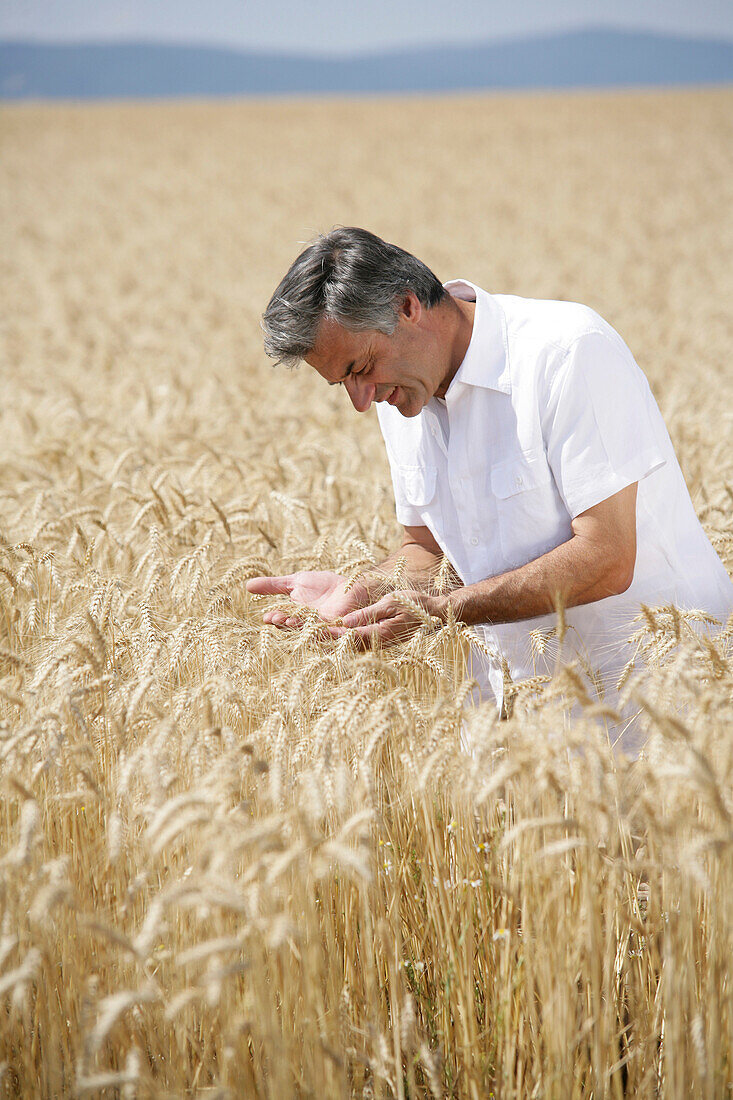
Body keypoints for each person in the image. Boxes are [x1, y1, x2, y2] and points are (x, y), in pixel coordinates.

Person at [247, 227, 733, 752]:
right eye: (342, 382)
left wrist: (444, 611)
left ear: (407, 306)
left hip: (660, 717)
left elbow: (609, 555)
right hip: (529, 736)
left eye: (360, 368)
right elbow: (427, 550)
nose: (360, 401)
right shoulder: (402, 398)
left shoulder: (566, 352)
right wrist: (363, 594)